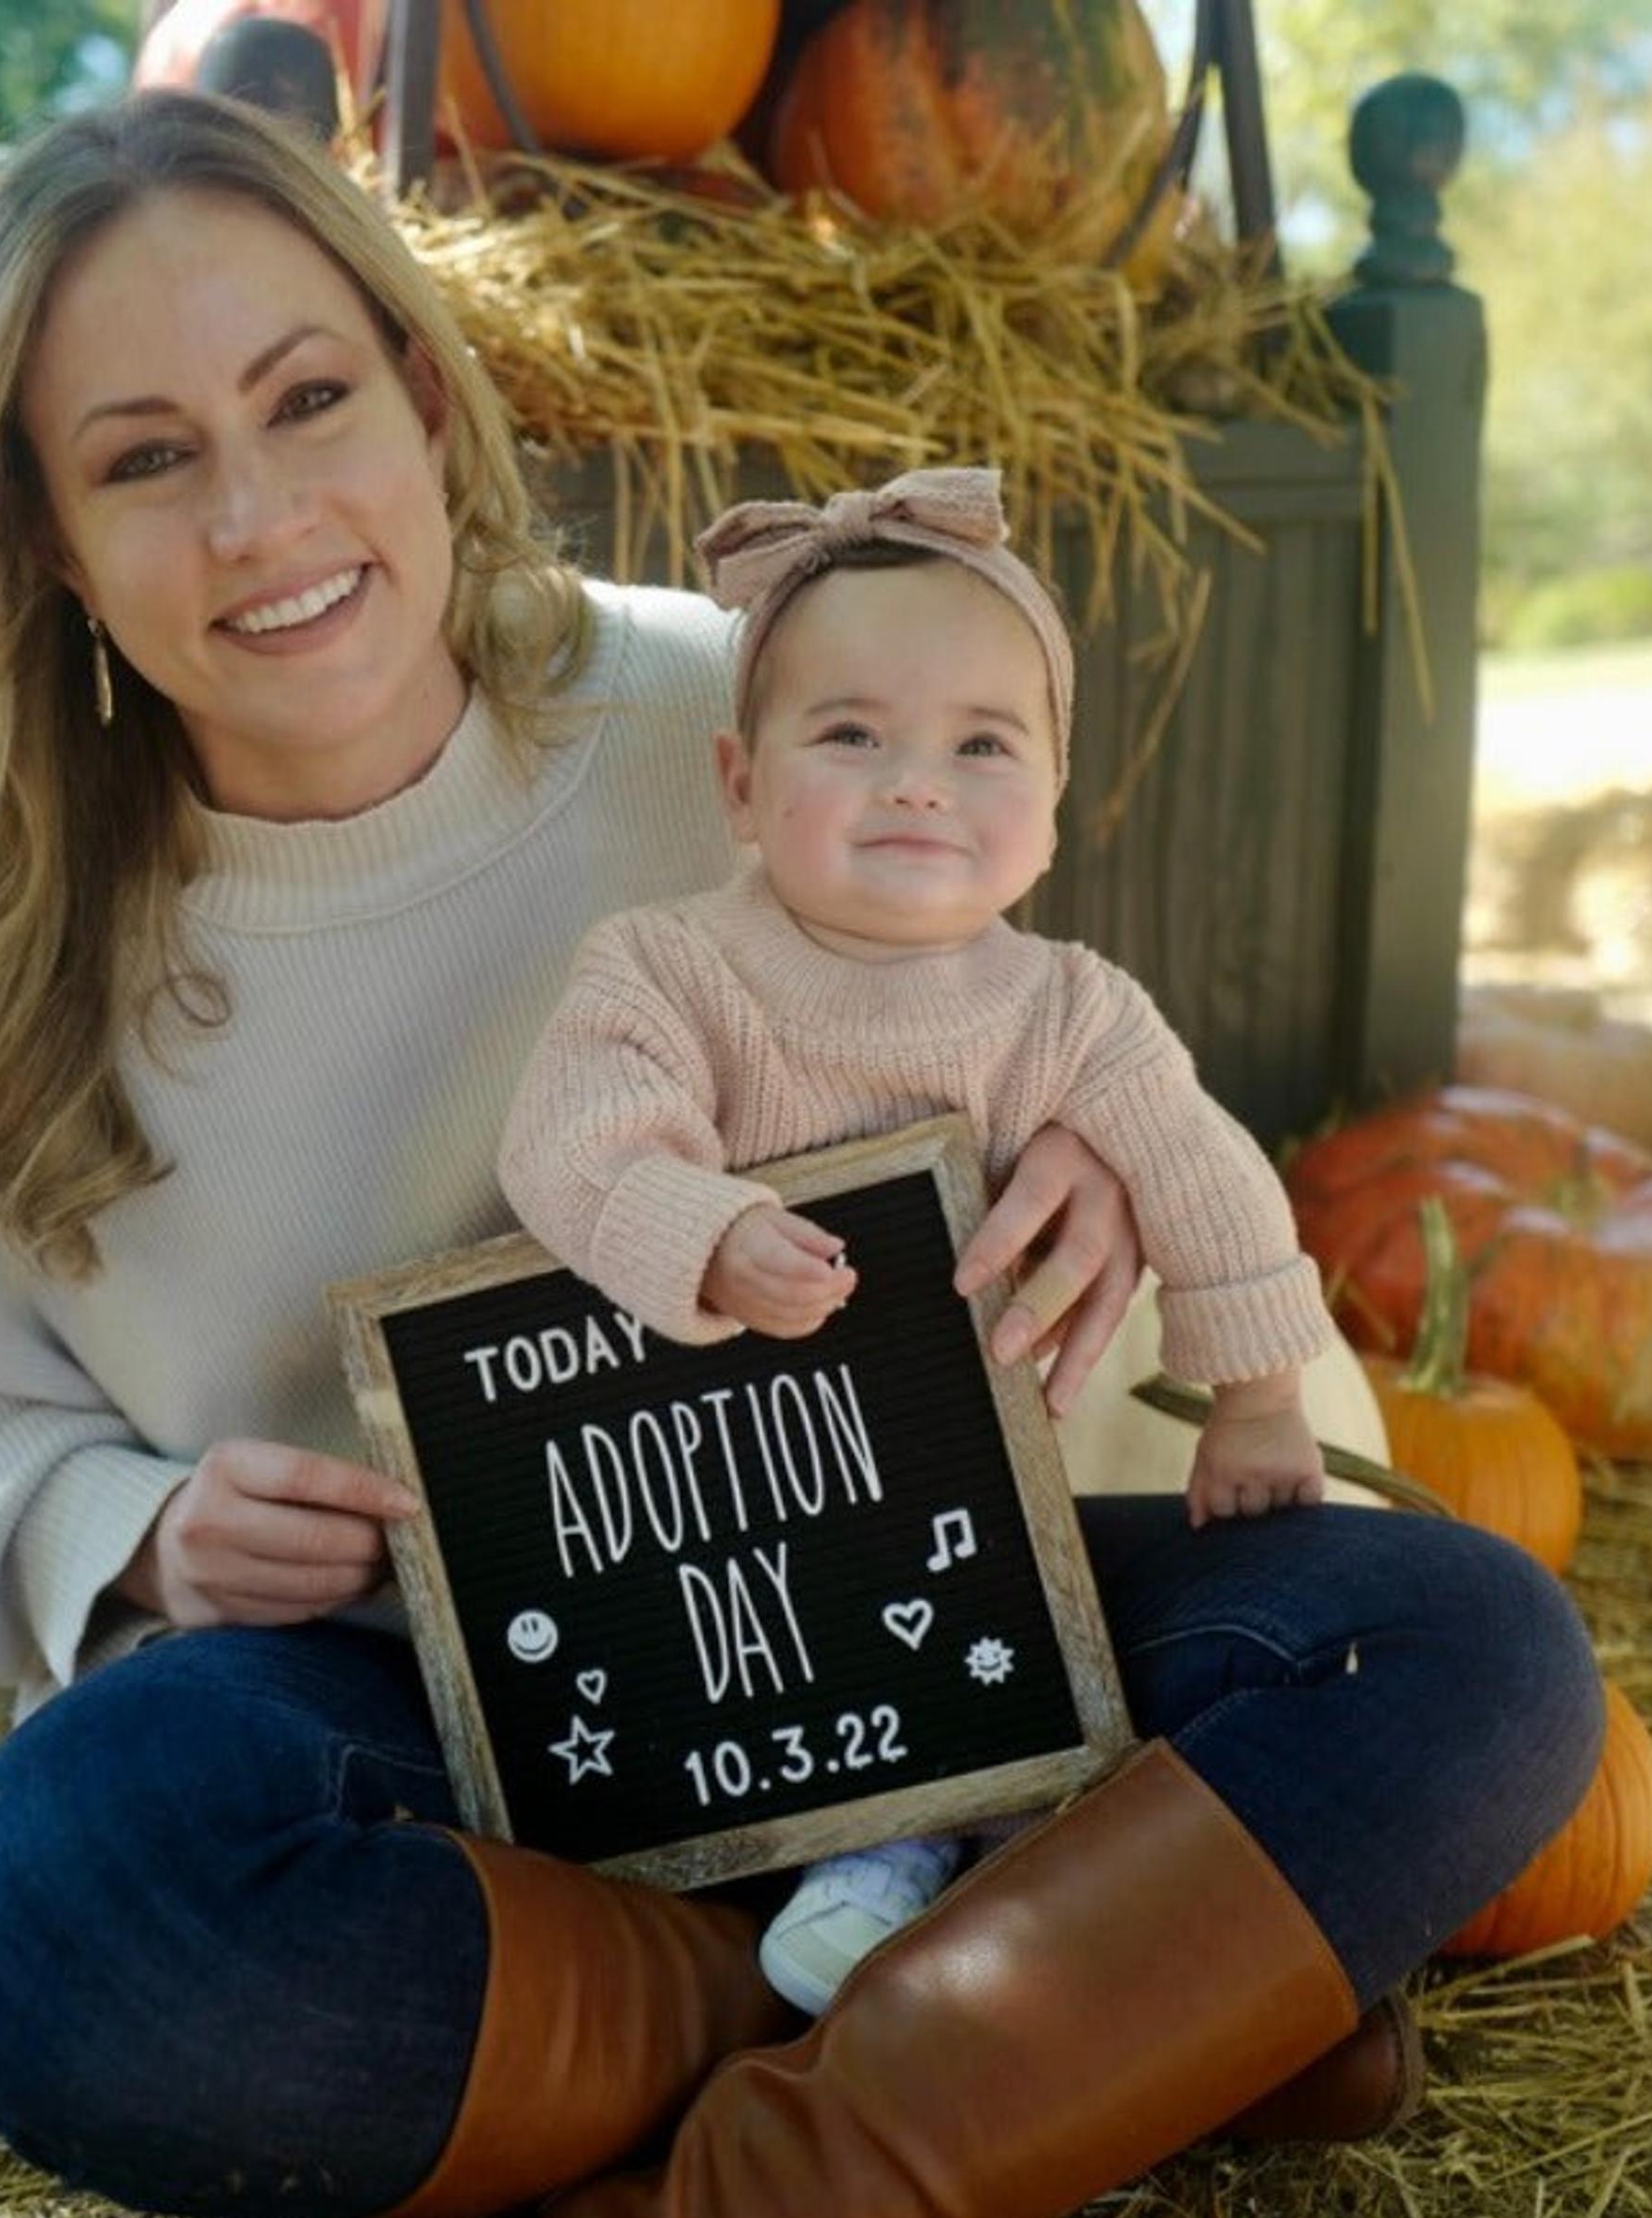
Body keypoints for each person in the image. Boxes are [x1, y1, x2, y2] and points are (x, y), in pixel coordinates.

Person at [0, 91, 1596, 2218]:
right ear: (34, 538)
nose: (260, 514)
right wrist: (123, 1526)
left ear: (426, 397)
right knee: (64, 1916)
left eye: (310, 398)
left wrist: (1096, 1165)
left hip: (931, 1624)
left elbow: (1028, 999)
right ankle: (1082, 2023)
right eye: (140, 458)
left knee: (1469, 1652)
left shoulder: (720, 699)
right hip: (431, 1707)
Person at [496, 465, 1343, 2014]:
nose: (917, 782)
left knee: (1028, 1653)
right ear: (740, 784)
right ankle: (833, 1905)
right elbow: (571, 1133)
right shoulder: (673, 970)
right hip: (735, 1493)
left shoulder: (1071, 1014)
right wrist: (708, 1228)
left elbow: (1208, 1178)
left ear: (1053, 805)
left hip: (979, 1510)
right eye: (851, 735)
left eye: (980, 743)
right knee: (756, 1673)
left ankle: (986, 1883)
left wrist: (1262, 1397)